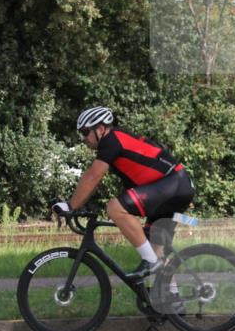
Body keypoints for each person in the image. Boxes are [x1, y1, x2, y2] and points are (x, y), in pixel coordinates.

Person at [52, 106, 195, 280]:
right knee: (157, 253)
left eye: (85, 132)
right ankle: (171, 302)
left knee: (114, 207)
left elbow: (93, 176)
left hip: (174, 184)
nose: (83, 138)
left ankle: (149, 262)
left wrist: (70, 206)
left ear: (101, 129)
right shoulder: (117, 143)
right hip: (176, 186)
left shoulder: (111, 140)